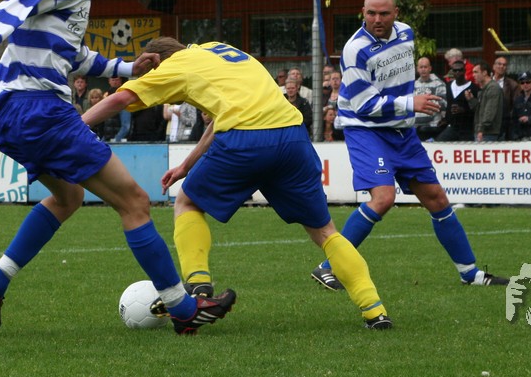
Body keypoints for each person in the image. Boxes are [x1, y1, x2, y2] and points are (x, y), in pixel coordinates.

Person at [0, 0, 234, 335]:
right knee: (134, 201)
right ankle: (182, 307)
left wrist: (129, 67)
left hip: (6, 116)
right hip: (38, 109)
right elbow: (15, 3)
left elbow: (76, 57)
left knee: (68, 197)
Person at [82, 36, 392, 329]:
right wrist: (186, 165)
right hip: (292, 137)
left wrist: (75, 126)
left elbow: (122, 97)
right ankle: (374, 310)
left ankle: (198, 284)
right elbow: (221, 114)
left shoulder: (174, 65)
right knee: (325, 232)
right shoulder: (218, 50)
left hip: (245, 139)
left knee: (187, 203)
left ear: (156, 61)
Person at [312, 0, 507, 290]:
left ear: (396, 14)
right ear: (363, 13)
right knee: (384, 198)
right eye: (371, 13)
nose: (377, 19)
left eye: (384, 13)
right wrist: (410, 103)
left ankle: (470, 274)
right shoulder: (355, 49)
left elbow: (395, 81)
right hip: (366, 129)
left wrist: (407, 107)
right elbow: (364, 105)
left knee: (436, 198)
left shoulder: (406, 33)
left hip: (401, 131)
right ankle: (328, 267)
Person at [435, 60, 476, 142]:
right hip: (452, 127)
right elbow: (447, 105)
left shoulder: (473, 88)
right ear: (452, 71)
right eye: (455, 70)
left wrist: (463, 110)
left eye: (460, 70)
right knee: (439, 143)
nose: (457, 72)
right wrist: (445, 119)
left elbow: (477, 109)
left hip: (467, 128)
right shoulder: (448, 86)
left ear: (464, 71)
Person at [468, 61, 503, 142]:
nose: (473, 75)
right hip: (483, 132)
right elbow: (479, 110)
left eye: (476, 72)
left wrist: (481, 129)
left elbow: (489, 112)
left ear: (484, 73)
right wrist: (471, 99)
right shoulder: (484, 89)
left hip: (488, 133)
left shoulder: (493, 88)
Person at [413, 57, 446, 141]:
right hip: (416, 127)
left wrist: (426, 102)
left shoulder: (438, 84)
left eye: (425, 67)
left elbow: (444, 103)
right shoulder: (414, 85)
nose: (423, 69)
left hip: (432, 127)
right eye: (421, 67)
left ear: (430, 68)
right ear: (417, 69)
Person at [491, 54, 518, 139]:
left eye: (504, 65)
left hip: (504, 125)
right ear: (494, 66)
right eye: (499, 64)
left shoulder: (512, 84)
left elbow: (515, 106)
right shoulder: (487, 82)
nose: (502, 66)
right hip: (488, 123)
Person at [107, 76, 131, 141]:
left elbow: (126, 126)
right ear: (109, 81)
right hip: (108, 138)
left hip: (118, 140)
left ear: (120, 81)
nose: (115, 82)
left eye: (117, 80)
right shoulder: (105, 96)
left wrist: (117, 139)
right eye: (113, 80)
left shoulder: (124, 98)